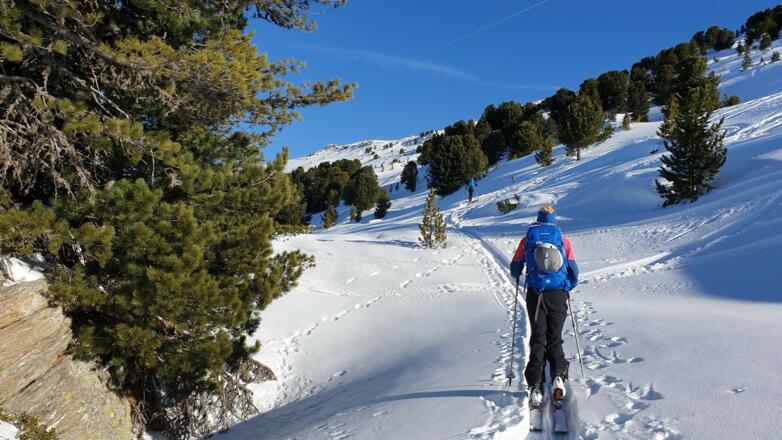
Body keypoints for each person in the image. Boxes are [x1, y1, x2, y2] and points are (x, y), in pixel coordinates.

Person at [509, 205, 579, 406]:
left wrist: (520, 274)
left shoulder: (528, 239)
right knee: (554, 337)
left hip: (536, 293)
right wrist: (568, 285)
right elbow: (573, 268)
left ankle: (535, 386)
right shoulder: (562, 239)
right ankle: (558, 377)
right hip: (558, 293)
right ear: (554, 220)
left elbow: (515, 267)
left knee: (538, 337)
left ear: (538, 219)